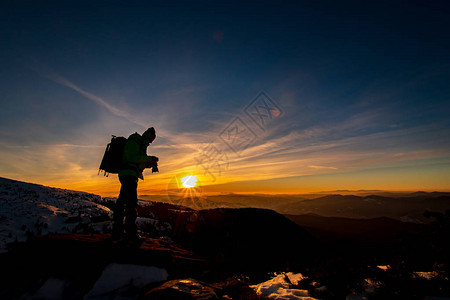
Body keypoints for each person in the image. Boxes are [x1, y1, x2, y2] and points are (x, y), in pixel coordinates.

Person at [112, 127, 159, 241]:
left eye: (152, 140)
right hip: (128, 174)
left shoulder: (141, 144)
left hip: (130, 173)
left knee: (123, 201)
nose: (150, 142)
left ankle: (118, 231)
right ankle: (130, 233)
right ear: (147, 135)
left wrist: (150, 163)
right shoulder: (135, 140)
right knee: (131, 203)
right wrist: (149, 158)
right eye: (150, 139)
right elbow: (132, 157)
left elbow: (138, 161)